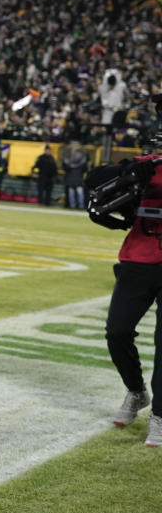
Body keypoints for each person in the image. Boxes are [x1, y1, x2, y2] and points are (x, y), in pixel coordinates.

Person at [86, 156, 162, 447]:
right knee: (116, 331)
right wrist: (126, 171)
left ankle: (161, 414)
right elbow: (93, 179)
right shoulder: (150, 162)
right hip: (137, 259)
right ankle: (136, 390)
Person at [62, 142, 89, 209]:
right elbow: (65, 168)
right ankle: (73, 206)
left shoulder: (82, 162)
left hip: (79, 180)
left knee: (79, 193)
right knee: (71, 194)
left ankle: (81, 206)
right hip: (71, 179)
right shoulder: (69, 161)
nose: (77, 155)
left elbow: (85, 169)